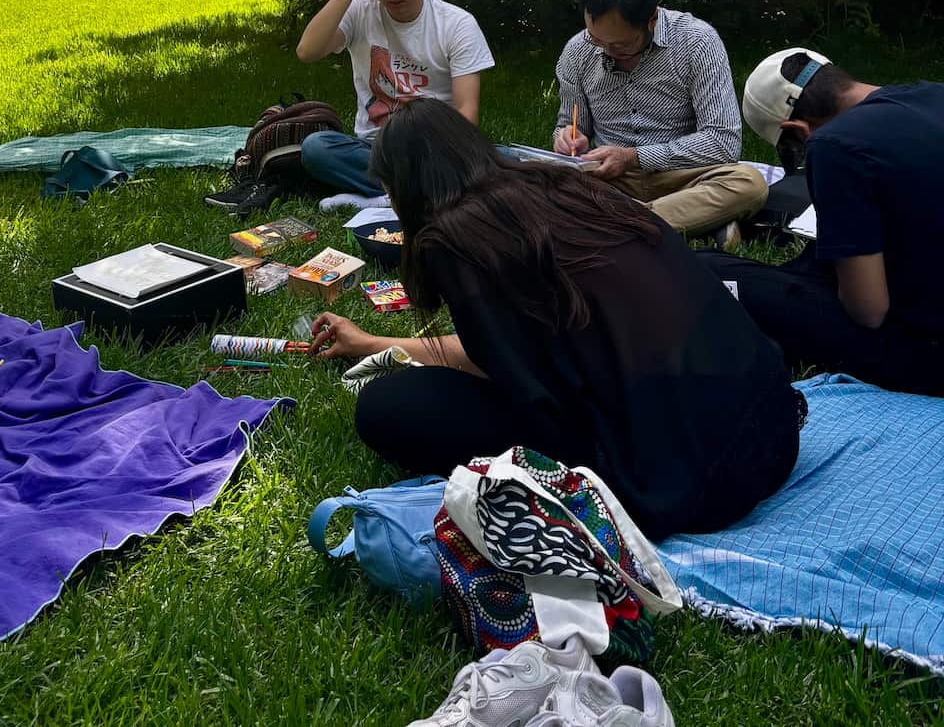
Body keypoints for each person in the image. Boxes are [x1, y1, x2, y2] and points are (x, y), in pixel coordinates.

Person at [310, 99, 802, 541]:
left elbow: (523, 384)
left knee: (388, 406)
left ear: (408, 190)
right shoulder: (560, 184)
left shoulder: (456, 241)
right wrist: (373, 342)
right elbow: (505, 349)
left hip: (690, 477)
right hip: (769, 431)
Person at [700, 49, 944, 397]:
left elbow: (869, 311)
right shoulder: (933, 92)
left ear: (797, 129)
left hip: (926, 354)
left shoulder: (835, 146)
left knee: (708, 268)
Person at [551, 0, 765, 245]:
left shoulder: (696, 41)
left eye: (620, 45)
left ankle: (615, 224)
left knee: (749, 184)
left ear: (651, 20)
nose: (605, 51)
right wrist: (566, 137)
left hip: (684, 175)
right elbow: (570, 124)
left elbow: (722, 141)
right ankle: (691, 223)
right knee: (527, 183)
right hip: (609, 179)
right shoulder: (578, 50)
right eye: (596, 38)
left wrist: (634, 157)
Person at [294, 0, 494, 197]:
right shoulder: (361, 10)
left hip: (436, 148)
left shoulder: (456, 24)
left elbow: (466, 114)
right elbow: (307, 51)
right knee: (316, 148)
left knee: (503, 158)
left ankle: (389, 195)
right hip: (376, 149)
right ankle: (424, 193)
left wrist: (438, 158)